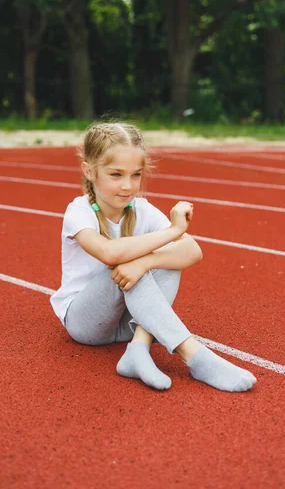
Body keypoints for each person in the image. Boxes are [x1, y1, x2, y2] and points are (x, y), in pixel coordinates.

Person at [50, 122, 256, 392]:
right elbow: (110, 253)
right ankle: (193, 354)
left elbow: (193, 251)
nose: (127, 186)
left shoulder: (141, 210)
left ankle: (138, 348)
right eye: (115, 174)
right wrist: (172, 232)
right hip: (87, 323)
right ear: (90, 171)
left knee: (163, 259)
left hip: (130, 322)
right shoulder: (78, 212)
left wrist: (147, 261)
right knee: (129, 259)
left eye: (136, 175)